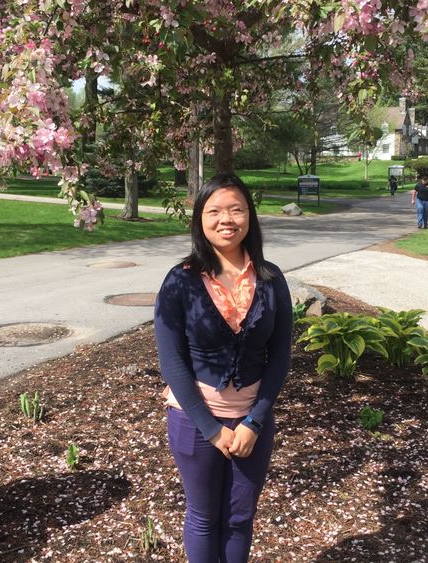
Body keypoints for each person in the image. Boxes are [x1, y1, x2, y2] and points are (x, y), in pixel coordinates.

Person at [154, 173, 293, 563]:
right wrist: (212, 430)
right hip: (194, 420)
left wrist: (254, 422)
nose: (226, 219)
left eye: (236, 209)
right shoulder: (179, 281)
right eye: (214, 210)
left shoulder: (270, 278)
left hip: (252, 422)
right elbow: (171, 361)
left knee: (239, 517)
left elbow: (280, 355)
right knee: (202, 517)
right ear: (200, 218)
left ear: (249, 216)